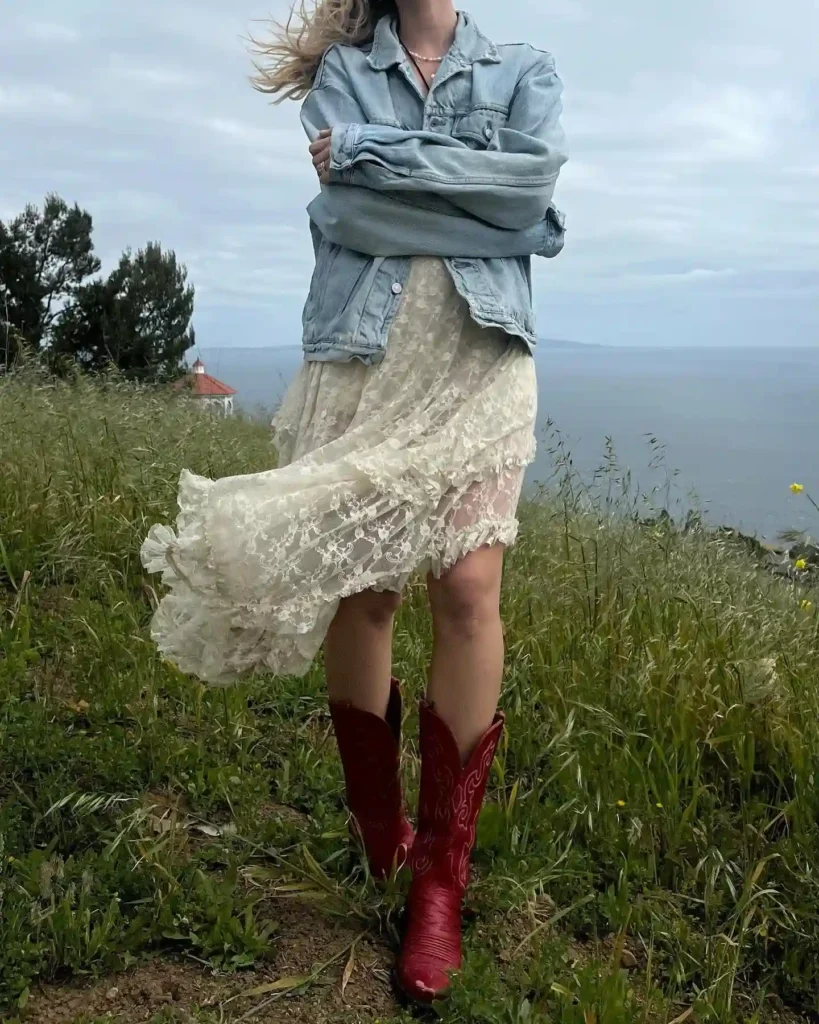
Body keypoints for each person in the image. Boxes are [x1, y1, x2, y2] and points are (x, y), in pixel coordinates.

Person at [141, 0, 567, 1004]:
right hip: (366, 358)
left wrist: (391, 159)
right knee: (364, 594)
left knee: (466, 589)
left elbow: (532, 195)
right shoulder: (344, 70)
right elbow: (349, 214)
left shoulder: (526, 70)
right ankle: (383, 832)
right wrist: (477, 192)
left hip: (480, 358)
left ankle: (438, 886)